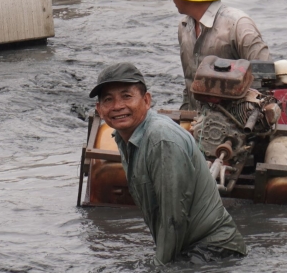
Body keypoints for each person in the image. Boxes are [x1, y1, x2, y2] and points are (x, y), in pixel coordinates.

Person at [90, 62, 247, 263]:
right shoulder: (124, 138)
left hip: (215, 252)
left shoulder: (161, 139)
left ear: (147, 100)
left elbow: (173, 218)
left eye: (126, 96)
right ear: (99, 109)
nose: (117, 106)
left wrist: (160, 266)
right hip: (192, 248)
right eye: (108, 100)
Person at [151, 0, 270, 108]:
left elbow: (267, 80)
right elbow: (190, 84)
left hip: (237, 122)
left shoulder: (239, 26)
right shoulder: (184, 27)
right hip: (199, 123)